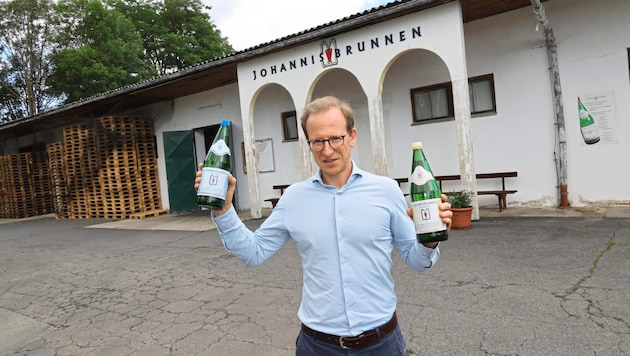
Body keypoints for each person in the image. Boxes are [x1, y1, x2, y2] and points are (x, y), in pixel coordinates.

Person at [195, 96, 452, 355]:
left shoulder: (386, 191)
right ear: (309, 143)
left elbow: (417, 260)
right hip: (317, 346)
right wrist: (224, 208)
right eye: (317, 141)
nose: (327, 151)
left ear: (352, 136)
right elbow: (253, 252)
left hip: (380, 344)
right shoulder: (294, 198)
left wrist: (430, 239)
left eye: (335, 138)